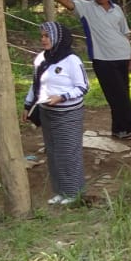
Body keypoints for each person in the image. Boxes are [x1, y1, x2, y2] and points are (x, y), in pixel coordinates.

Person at [54, 0, 131, 141]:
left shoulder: (117, 9)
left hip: (122, 57)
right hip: (103, 59)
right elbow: (66, 2)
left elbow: (125, 34)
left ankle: (118, 130)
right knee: (119, 95)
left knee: (121, 94)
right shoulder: (86, 8)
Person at [24, 21, 90, 205]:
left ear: (58, 38)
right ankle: (60, 191)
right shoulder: (40, 59)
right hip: (47, 112)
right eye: (42, 36)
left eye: (47, 36)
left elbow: (83, 87)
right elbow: (35, 84)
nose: (43, 39)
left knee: (68, 152)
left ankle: (74, 193)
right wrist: (27, 105)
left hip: (68, 113)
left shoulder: (72, 60)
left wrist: (62, 97)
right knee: (52, 152)